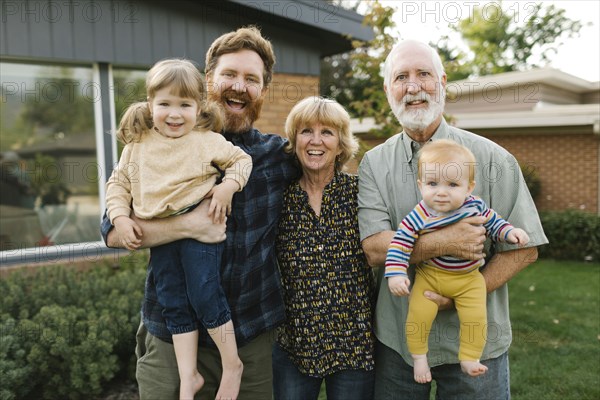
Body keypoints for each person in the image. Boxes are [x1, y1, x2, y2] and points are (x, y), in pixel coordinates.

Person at [101, 27, 298, 399]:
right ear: (208, 82)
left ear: (262, 91)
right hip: (171, 336)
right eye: (229, 75)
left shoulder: (277, 156)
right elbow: (112, 232)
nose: (239, 86)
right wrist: (188, 225)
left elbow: (329, 158)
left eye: (251, 79)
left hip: (248, 338)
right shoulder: (153, 147)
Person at [357, 39, 548, 399]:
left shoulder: (493, 159)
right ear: (388, 90)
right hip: (399, 343)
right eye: (401, 77)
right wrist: (445, 243)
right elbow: (373, 248)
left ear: (442, 82)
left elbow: (525, 249)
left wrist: (461, 295)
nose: (413, 86)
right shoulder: (374, 163)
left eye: (424, 74)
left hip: (476, 344)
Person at [105, 58, 251, 400]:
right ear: (150, 104)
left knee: (204, 294)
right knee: (172, 301)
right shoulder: (138, 145)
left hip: (201, 232)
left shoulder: (206, 140)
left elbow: (242, 161)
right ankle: (190, 377)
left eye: (184, 105)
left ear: (198, 107)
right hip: (162, 232)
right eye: (165, 104)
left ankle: (232, 364)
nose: (174, 114)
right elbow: (118, 185)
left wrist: (229, 186)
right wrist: (121, 218)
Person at [385, 139, 530, 383]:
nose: (441, 191)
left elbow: (494, 222)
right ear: (421, 185)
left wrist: (510, 232)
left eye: (452, 184)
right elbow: (401, 242)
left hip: (468, 279)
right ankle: (419, 357)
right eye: (432, 183)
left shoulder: (475, 207)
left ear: (469, 187)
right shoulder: (421, 213)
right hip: (430, 277)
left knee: (476, 317)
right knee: (418, 316)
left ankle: (470, 357)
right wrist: (397, 273)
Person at [274, 96, 375, 400]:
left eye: (327, 132)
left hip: (354, 341)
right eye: (306, 131)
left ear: (341, 144)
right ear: (294, 140)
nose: (315, 141)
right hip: (295, 342)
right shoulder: (279, 198)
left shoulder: (361, 194)